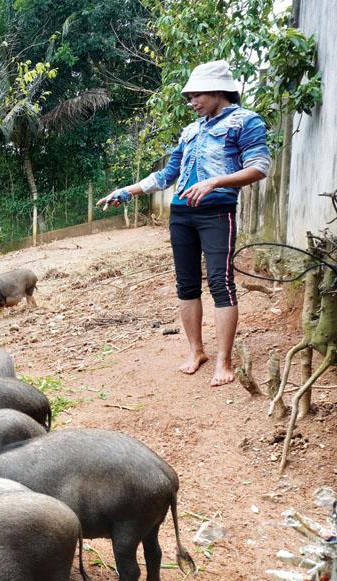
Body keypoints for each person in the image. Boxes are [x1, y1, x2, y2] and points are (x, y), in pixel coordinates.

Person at [97, 60, 271, 386]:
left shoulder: (245, 121)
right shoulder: (191, 130)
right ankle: (196, 351)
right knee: (186, 284)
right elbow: (167, 175)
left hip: (217, 213)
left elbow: (259, 167)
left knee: (220, 283)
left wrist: (215, 182)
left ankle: (224, 360)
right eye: (189, 97)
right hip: (181, 215)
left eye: (197, 95)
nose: (192, 103)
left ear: (219, 90)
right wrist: (126, 191)